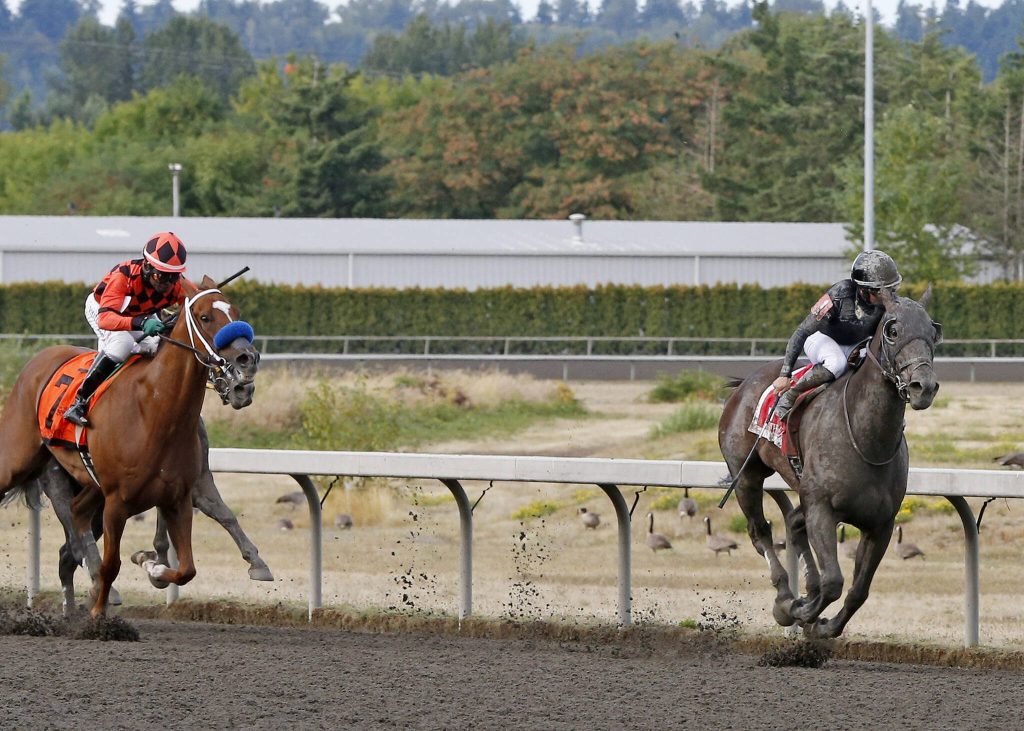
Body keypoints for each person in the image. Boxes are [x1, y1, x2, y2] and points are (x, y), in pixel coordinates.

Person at [63, 232, 191, 427]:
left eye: (172, 277)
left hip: (139, 314)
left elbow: (197, 304)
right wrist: (140, 323)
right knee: (122, 343)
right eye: (160, 275)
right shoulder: (123, 276)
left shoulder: (177, 285)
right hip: (102, 309)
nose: (165, 283)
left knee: (155, 347)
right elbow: (106, 319)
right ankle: (79, 401)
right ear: (147, 266)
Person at [771, 250, 902, 420]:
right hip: (821, 338)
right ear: (863, 290)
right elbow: (802, 331)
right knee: (837, 363)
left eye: (890, 289)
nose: (887, 296)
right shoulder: (839, 294)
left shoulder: (889, 302)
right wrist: (784, 374)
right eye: (880, 292)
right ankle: (790, 397)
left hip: (856, 343)